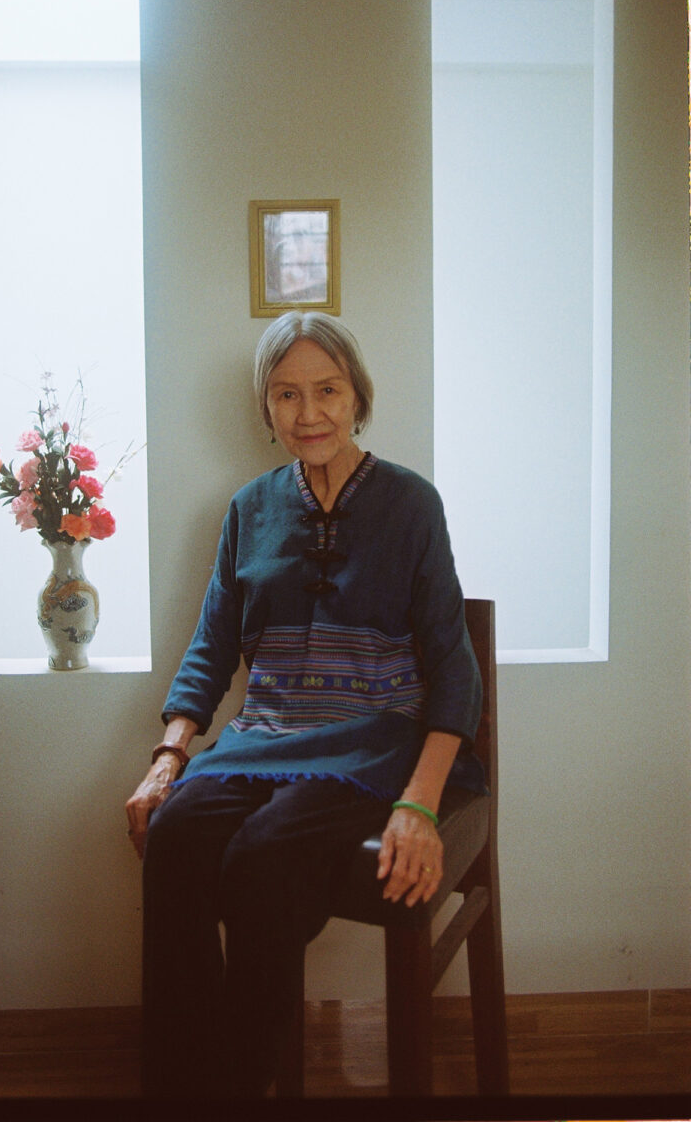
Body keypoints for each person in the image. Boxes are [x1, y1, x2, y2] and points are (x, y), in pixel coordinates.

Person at [125, 311, 486, 1099]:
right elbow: (212, 645)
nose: (309, 412)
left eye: (327, 389)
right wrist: (169, 757)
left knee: (261, 857)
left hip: (375, 743)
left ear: (358, 396)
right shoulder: (249, 509)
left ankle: (235, 1088)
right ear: (266, 408)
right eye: (286, 394)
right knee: (176, 832)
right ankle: (183, 1090)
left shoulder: (411, 505)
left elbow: (454, 666)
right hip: (266, 738)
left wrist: (419, 806)